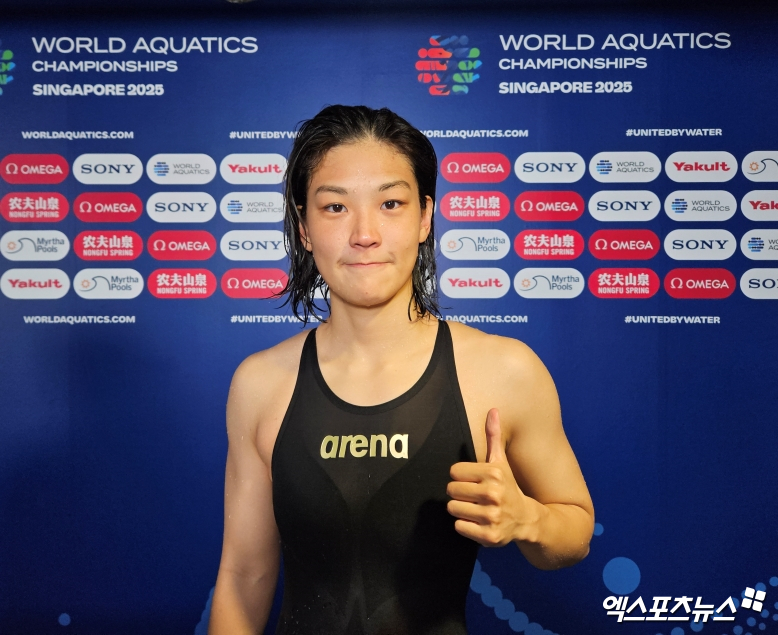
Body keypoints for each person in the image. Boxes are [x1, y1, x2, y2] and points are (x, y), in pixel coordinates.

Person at [208, 105, 594, 635]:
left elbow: (575, 534)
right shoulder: (260, 383)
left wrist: (528, 518)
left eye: (390, 204)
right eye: (335, 207)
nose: (365, 234)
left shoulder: (503, 370)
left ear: (424, 218)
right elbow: (243, 576)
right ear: (303, 227)